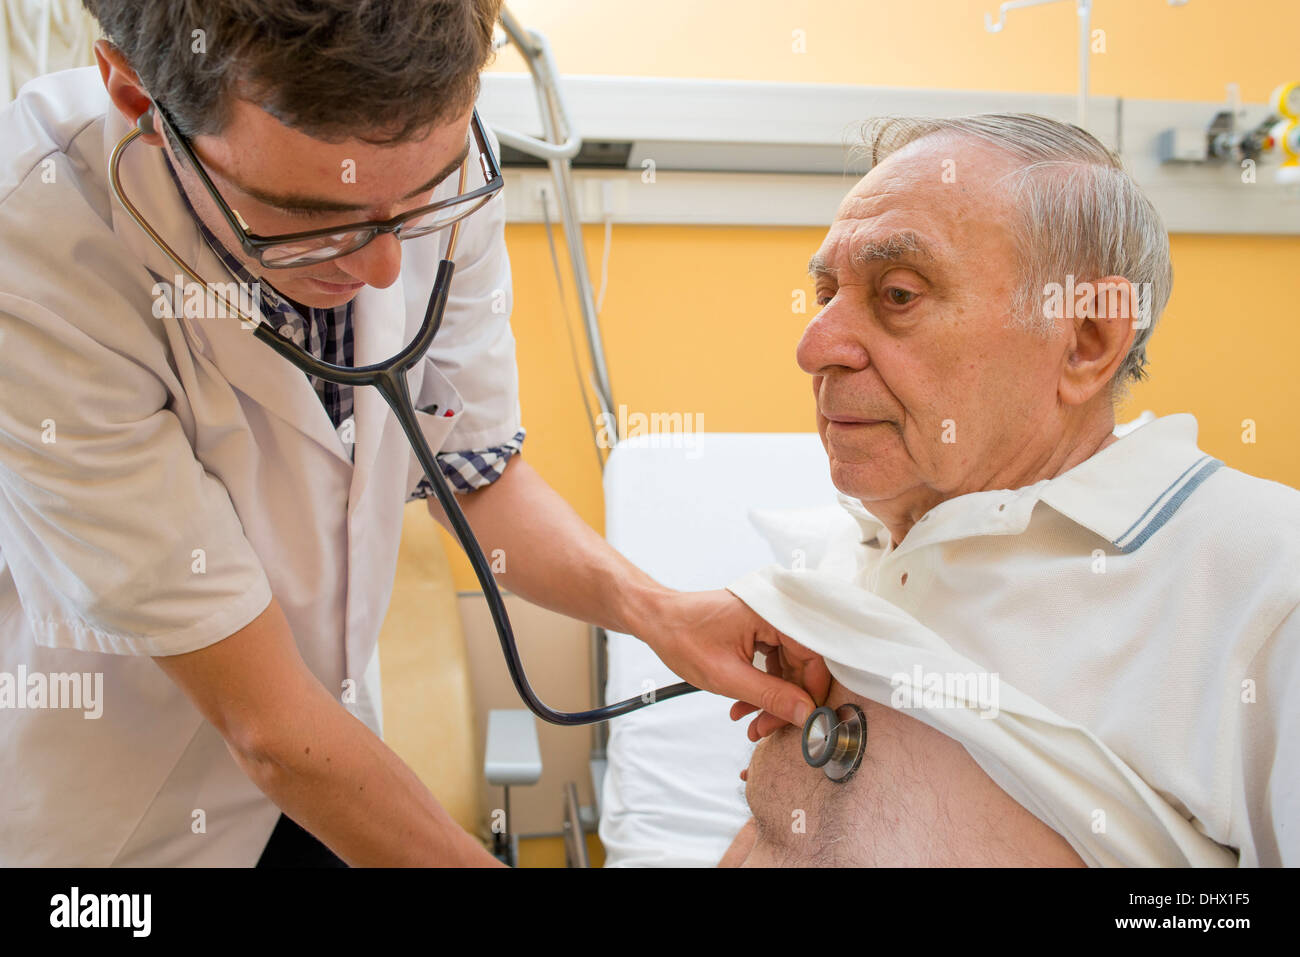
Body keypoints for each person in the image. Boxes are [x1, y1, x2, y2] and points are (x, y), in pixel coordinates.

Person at [0, 0, 827, 867]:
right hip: (121, 816)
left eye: (424, 200)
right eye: (315, 216)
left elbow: (471, 472)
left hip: (323, 759)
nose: (386, 268)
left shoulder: (446, 165)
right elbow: (266, 726)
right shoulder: (41, 259)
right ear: (139, 104)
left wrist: (658, 613)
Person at [723, 113, 1299, 867]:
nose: (814, 346)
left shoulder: (1256, 586)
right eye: (826, 292)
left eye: (898, 293)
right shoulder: (845, 562)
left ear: (1088, 338)